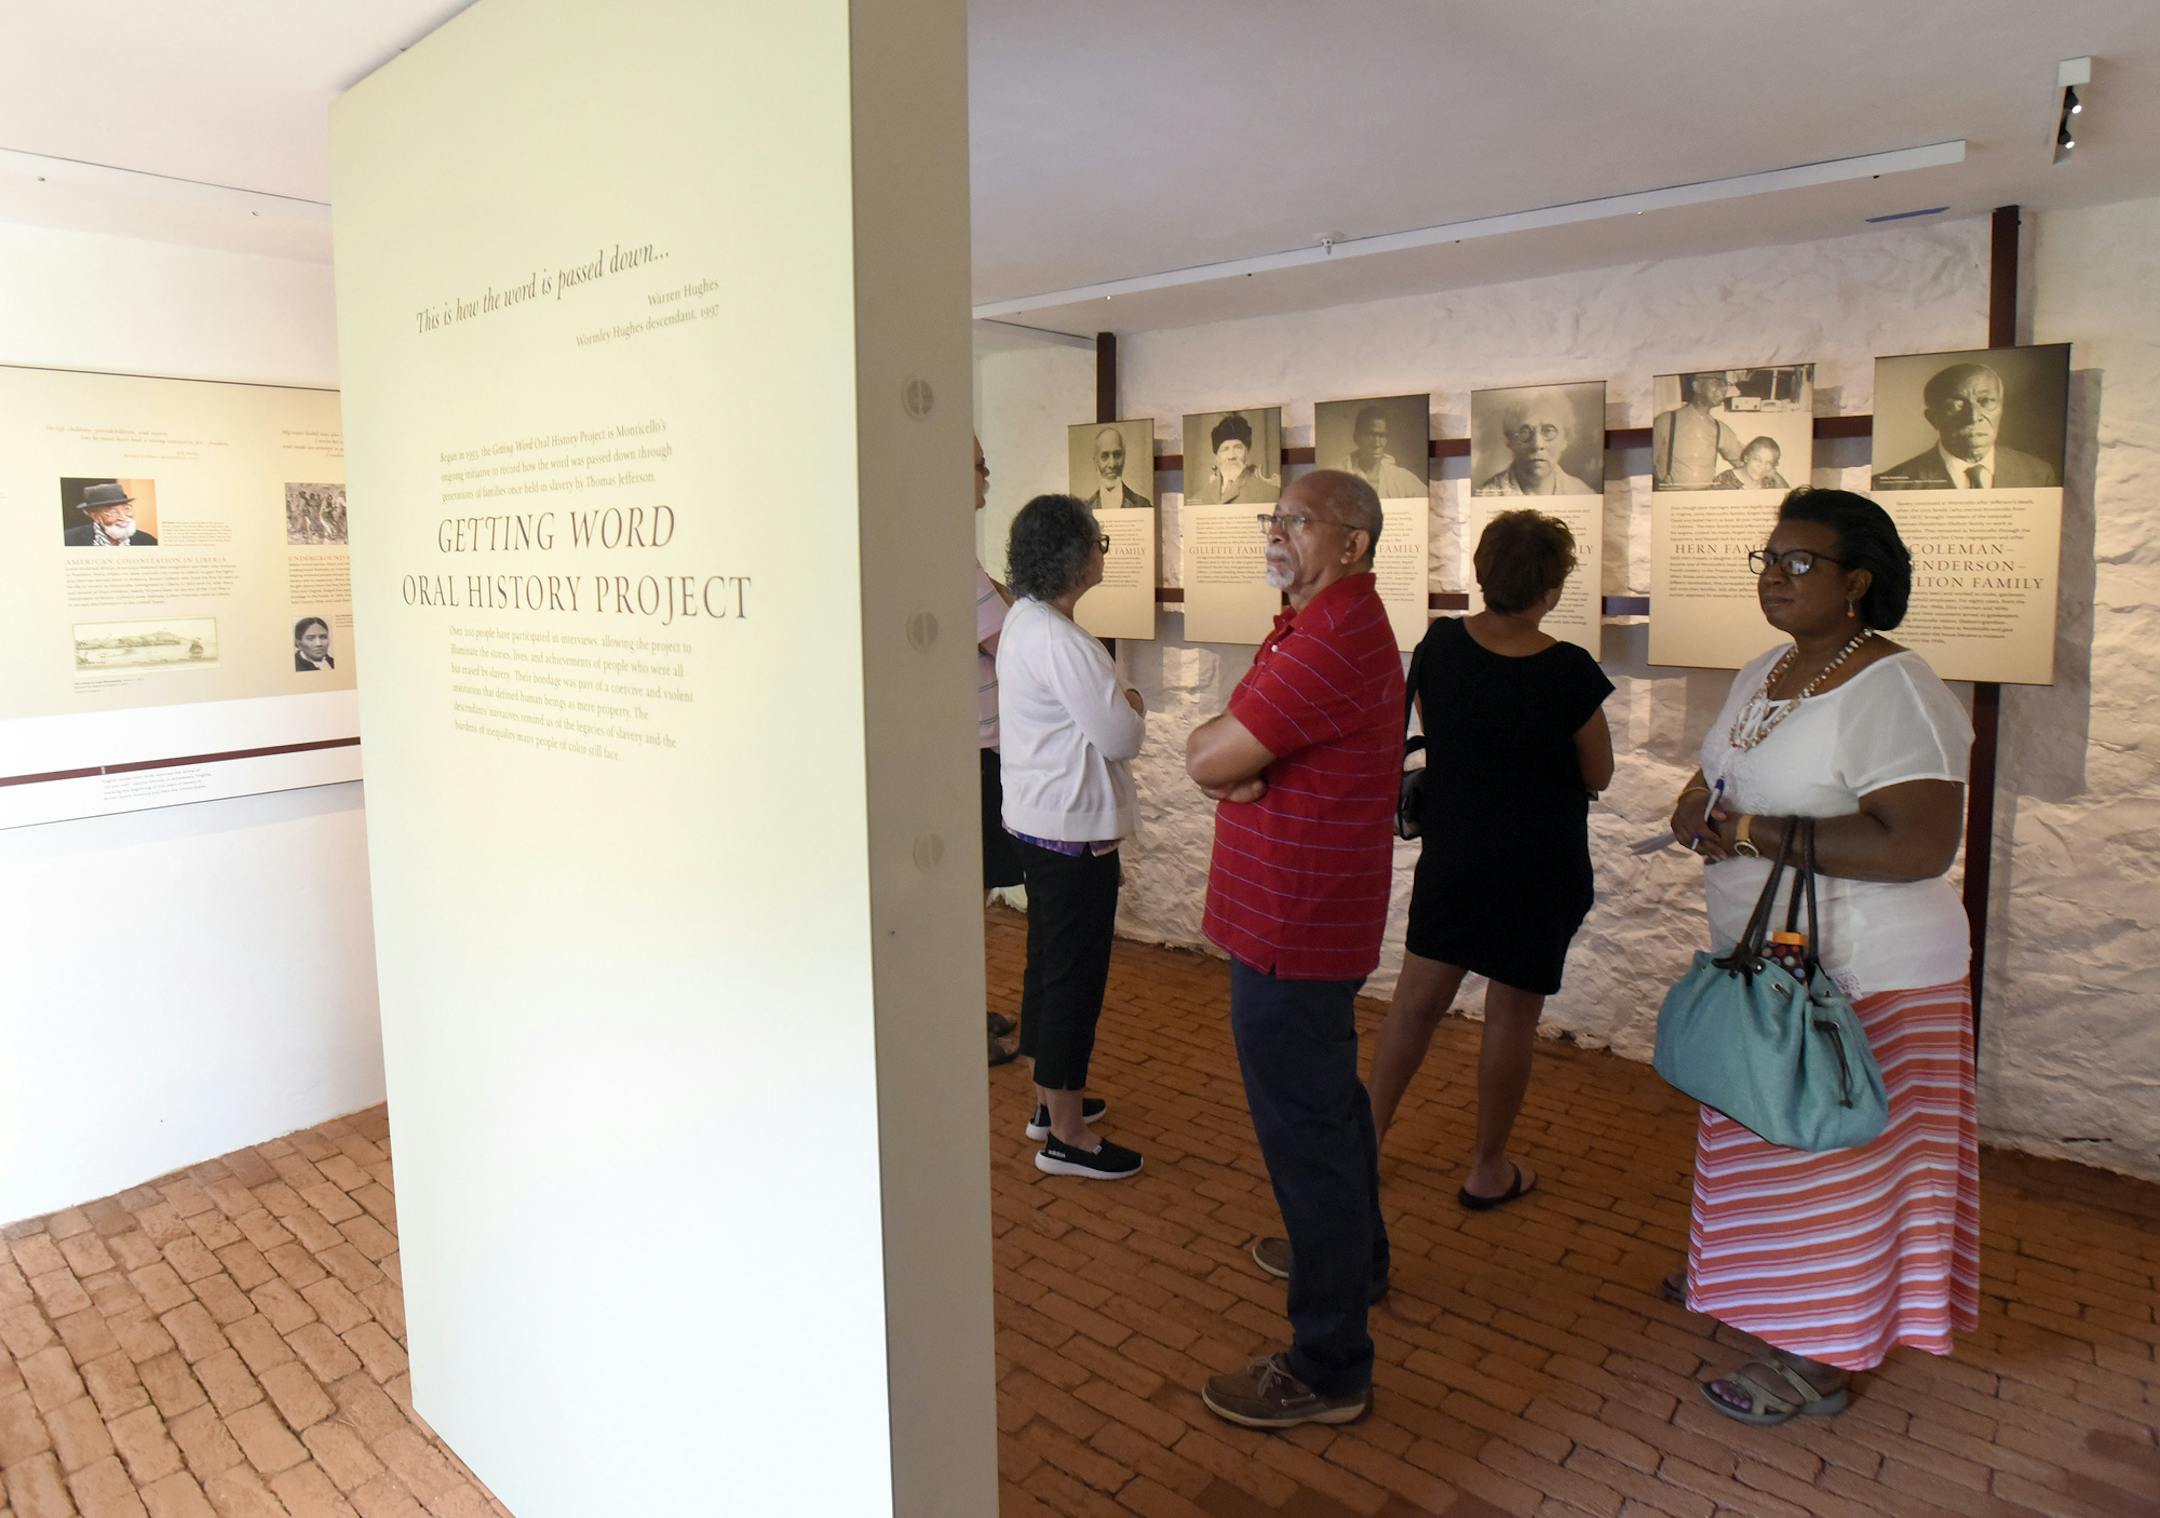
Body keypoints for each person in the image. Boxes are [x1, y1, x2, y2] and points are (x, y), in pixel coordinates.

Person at [1667, 486, 1977, 1427]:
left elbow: (1919, 845)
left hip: (1867, 979)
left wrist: (1754, 831)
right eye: (1765, 559)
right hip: (1769, 970)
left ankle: (1820, 1358)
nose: (1773, 576)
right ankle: (1759, 1291)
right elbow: (1720, 778)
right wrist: (1698, 812)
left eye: (1798, 562)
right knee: (1771, 1142)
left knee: (1837, 1171)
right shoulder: (1766, 669)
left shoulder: (1895, 688)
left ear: (1858, 584)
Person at [1185, 470, 1401, 1429]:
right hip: (1297, 914)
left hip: (1294, 922)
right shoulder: (1314, 622)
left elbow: (1206, 756)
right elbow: (1230, 748)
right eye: (1273, 517)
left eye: (1297, 521)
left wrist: (1238, 770)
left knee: (1305, 1136)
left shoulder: (1335, 635)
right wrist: (1239, 766)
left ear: (1351, 542)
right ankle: (1359, 1259)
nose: (1276, 532)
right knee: (1330, 1105)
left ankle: (1329, 1365)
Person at [1362, 509, 1613, 1211]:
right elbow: (1598, 773)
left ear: (1483, 571)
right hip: (1538, 863)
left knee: (1414, 1006)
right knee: (1511, 1019)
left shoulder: (1440, 646)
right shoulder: (1569, 671)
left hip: (1457, 851)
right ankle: (1487, 1168)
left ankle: (1367, 1145)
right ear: (1553, 587)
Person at [998, 494, 1147, 1179]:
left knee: (1049, 969)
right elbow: (1122, 735)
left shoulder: (1024, 621)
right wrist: (1133, 703)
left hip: (1041, 822)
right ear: (1073, 558)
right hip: (1071, 834)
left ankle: (1048, 1100)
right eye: (1097, 541)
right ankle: (1065, 1136)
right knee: (1072, 981)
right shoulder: (1064, 641)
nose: (1101, 552)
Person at [973, 437, 1024, 1065]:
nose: (987, 473)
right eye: (979, 464)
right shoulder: (946, 556)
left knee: (976, 891)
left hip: (977, 751)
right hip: (975, 755)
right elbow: (1008, 640)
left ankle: (964, 1002)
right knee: (967, 893)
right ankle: (958, 1013)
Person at [1872, 362, 2059, 489]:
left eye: (1986, 401)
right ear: (1932, 418)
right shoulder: (1889, 485)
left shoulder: (2039, 474)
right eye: (1956, 405)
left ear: (2001, 408)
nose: (1973, 417)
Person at [1474, 394, 1598, 496]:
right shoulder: (1486, 495)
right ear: (1510, 441)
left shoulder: (1582, 493)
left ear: (1565, 439)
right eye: (1525, 432)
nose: (1537, 445)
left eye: (1548, 430)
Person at [1652, 373, 1743, 488]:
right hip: (1670, 497)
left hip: (1703, 499)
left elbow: (1744, 460)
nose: (1723, 387)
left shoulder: (1721, 428)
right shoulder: (1666, 421)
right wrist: (1658, 480)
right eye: (1716, 382)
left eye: (1725, 383)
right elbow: (1645, 462)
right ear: (1697, 386)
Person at [1186, 412, 1280, 505]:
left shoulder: (1269, 494)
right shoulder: (1198, 499)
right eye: (1225, 449)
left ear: (1247, 452)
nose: (1231, 456)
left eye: (1237, 447)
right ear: (1216, 456)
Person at [1338, 405, 1427, 497]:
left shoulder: (1402, 479)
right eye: (1371, 435)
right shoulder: (1338, 480)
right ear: (1356, 437)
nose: (1377, 443)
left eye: (1382, 436)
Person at [64, 482, 158, 546]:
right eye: (112, 512)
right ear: (95, 516)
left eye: (126, 509)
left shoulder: (148, 541)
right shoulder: (68, 540)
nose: (123, 517)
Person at [1083, 426, 1152, 511]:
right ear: (1095, 462)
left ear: (1124, 457)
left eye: (1117, 455)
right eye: (1105, 456)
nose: (1112, 464)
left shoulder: (1143, 505)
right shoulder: (1084, 510)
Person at [1711, 436, 1791, 490]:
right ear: (1746, 458)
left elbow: (1788, 498)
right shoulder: (1723, 481)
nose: (1762, 466)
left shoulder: (1770, 482)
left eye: (1769, 463)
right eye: (1757, 460)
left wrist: (1774, 474)